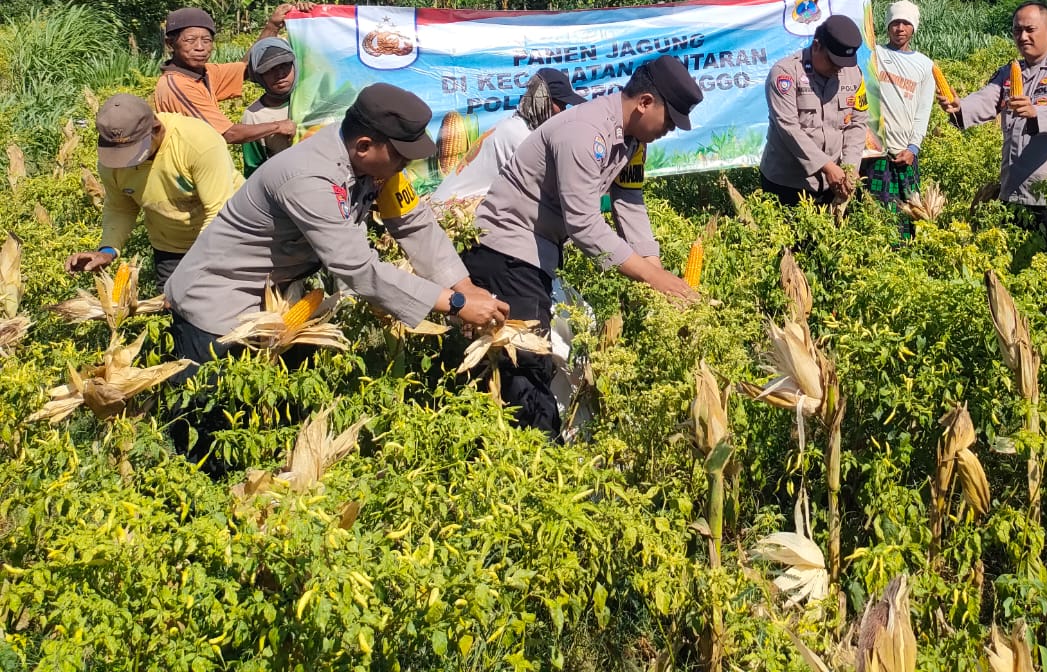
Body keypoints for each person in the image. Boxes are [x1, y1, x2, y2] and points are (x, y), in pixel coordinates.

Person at [165, 84, 508, 371]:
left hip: (268, 302)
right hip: (216, 305)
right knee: (211, 420)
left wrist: (464, 285)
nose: (406, 164)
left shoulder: (376, 167)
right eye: (401, 156)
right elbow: (357, 268)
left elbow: (413, 222)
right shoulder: (308, 178)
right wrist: (458, 303)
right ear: (363, 146)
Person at [469, 55, 704, 434]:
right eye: (669, 120)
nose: (670, 130)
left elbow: (629, 200)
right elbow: (583, 224)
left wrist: (655, 266)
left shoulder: (632, 141)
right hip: (507, 250)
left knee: (539, 357)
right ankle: (539, 463)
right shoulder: (584, 132)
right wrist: (651, 277)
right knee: (528, 367)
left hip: (538, 252)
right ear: (645, 102)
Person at [64, 94, 243, 291]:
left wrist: (191, 271)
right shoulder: (113, 162)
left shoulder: (197, 141)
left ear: (156, 129)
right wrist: (107, 250)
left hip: (229, 237)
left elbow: (218, 210)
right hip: (171, 246)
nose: (126, 162)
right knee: (181, 317)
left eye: (133, 152)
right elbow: (120, 208)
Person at [942, 1, 1047, 231]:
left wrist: (1036, 112)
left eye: (1030, 30)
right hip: (1012, 192)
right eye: (1017, 31)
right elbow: (985, 99)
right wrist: (958, 106)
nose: (1022, 37)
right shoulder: (1008, 72)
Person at [153, 3, 307, 146]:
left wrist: (272, 27)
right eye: (190, 40)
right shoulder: (177, 85)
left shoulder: (205, 72)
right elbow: (229, 134)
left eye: (206, 40)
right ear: (170, 44)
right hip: (186, 171)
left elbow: (248, 67)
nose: (199, 47)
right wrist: (278, 126)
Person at [432, 69, 586, 202]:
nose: (564, 110)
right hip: (454, 211)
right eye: (561, 104)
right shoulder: (521, 137)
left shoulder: (513, 124)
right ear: (542, 100)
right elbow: (551, 190)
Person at [760, 16, 867, 207]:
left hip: (831, 184)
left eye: (842, 63)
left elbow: (857, 122)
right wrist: (827, 166)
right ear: (817, 46)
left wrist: (850, 167)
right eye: (833, 62)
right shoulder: (785, 73)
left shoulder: (854, 74)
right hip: (787, 183)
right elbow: (788, 127)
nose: (838, 69)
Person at [860, 0, 936, 236]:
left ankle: (906, 256)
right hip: (874, 150)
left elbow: (923, 111)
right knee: (872, 211)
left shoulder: (925, 66)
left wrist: (913, 147)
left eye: (905, 23)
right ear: (887, 26)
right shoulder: (873, 55)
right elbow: (859, 24)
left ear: (914, 27)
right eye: (895, 23)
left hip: (905, 151)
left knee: (908, 213)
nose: (900, 28)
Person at [240, 37, 298, 177]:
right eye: (270, 69)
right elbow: (254, 168)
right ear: (259, 76)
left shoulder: (313, 98)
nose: (280, 74)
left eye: (284, 65)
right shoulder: (254, 116)